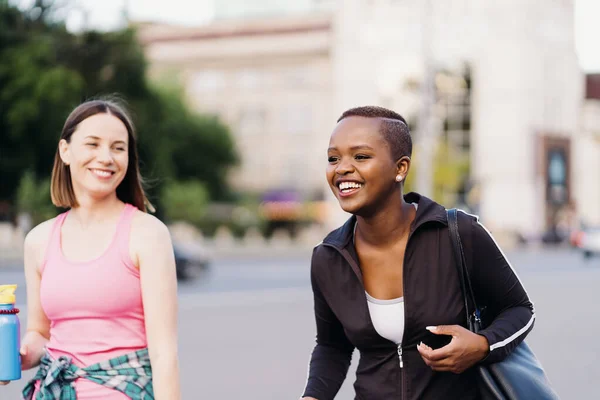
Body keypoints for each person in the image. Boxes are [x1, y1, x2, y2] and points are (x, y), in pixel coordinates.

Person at [300, 106, 535, 400]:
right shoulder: (328, 257)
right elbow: (332, 346)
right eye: (333, 158)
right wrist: (312, 396)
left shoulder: (458, 234)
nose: (342, 168)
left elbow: (520, 310)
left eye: (360, 156)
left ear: (400, 168)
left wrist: (482, 345)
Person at [0, 99, 181, 399]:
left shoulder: (147, 234)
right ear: (65, 150)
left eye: (118, 148)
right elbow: (41, 334)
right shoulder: (38, 240)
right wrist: (17, 356)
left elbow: (165, 356)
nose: (106, 157)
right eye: (93, 144)